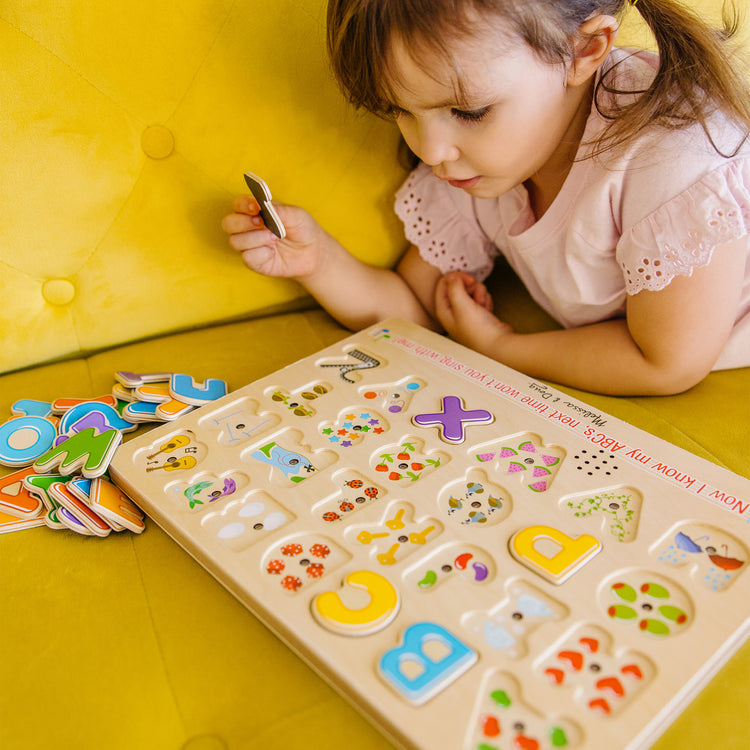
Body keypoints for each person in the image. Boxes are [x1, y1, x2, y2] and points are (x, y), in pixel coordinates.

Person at [222, 0, 750, 396]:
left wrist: (501, 350)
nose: (430, 150)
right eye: (398, 110)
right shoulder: (474, 163)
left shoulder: (675, 158)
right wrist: (318, 261)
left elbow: (665, 363)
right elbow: (417, 311)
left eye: (469, 111)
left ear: (584, 51)